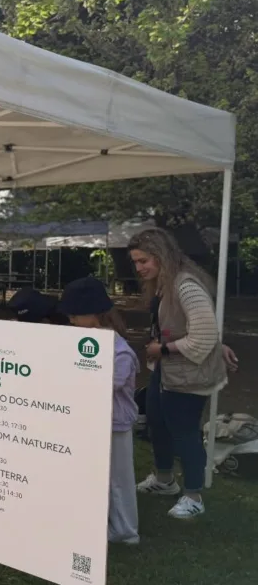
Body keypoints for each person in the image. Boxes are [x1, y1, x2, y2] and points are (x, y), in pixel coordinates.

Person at [128, 227, 229, 519]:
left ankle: (194, 496)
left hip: (189, 373)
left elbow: (204, 332)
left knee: (185, 433)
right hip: (170, 370)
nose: (139, 267)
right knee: (157, 422)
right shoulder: (166, 282)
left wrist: (165, 349)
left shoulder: (185, 284)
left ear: (161, 256)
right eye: (135, 262)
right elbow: (200, 327)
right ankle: (164, 481)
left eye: (144, 260)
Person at [59, 277, 140, 544]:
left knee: (119, 479)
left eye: (75, 316)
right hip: (91, 423)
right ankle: (102, 522)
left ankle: (126, 531)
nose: (71, 321)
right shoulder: (84, 345)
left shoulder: (120, 353)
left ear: (94, 315)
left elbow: (102, 386)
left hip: (115, 424)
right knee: (95, 477)